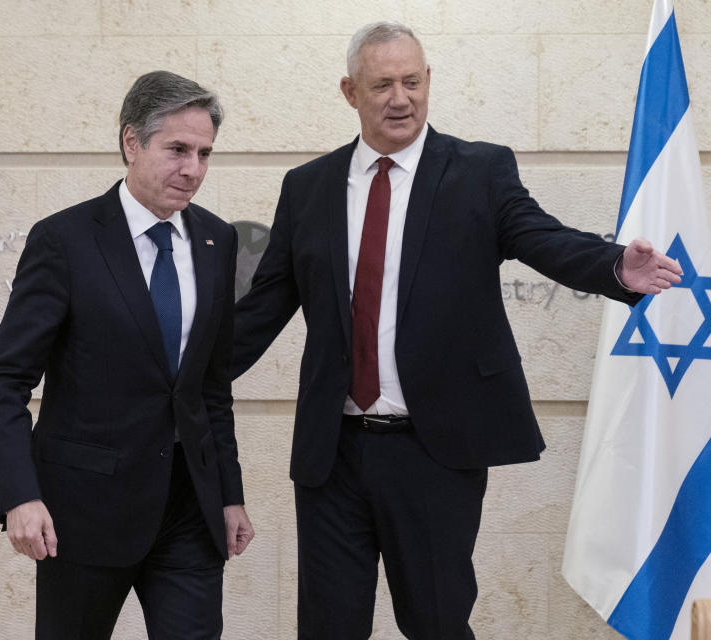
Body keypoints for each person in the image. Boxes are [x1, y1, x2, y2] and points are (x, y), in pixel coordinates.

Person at [231, 21, 682, 640]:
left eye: (412, 82)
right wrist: (177, 372)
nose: (400, 98)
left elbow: (540, 237)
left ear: (428, 82)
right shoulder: (307, 187)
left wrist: (613, 267)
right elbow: (263, 307)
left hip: (434, 450)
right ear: (349, 91)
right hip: (331, 454)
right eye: (383, 84)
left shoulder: (479, 170)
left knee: (437, 623)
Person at [0, 70, 254, 640]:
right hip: (83, 511)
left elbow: (210, 388)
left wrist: (230, 495)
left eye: (205, 153)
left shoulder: (216, 240)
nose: (194, 169)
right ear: (132, 141)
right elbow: (6, 380)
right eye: (178, 149)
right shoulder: (64, 240)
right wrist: (20, 495)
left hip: (188, 509)